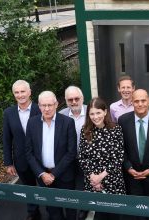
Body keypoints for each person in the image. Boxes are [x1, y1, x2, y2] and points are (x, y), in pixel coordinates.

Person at [25, 91, 77, 220]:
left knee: (70, 210)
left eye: (49, 105)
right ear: (39, 106)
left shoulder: (68, 122)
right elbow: (29, 152)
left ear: (56, 104)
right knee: (53, 212)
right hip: (43, 177)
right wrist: (42, 174)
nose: (46, 109)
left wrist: (53, 174)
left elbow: (71, 152)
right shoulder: (32, 123)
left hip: (65, 176)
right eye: (43, 105)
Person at [79, 97, 126, 220]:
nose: (95, 117)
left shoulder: (116, 130)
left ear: (105, 112)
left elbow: (118, 157)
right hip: (93, 183)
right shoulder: (85, 131)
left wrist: (101, 176)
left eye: (98, 112)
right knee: (98, 215)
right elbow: (82, 158)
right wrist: (93, 177)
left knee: (115, 215)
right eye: (92, 114)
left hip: (113, 182)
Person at [118, 89, 149, 198]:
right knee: (135, 211)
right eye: (136, 101)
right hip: (131, 177)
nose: (140, 104)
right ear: (132, 102)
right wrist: (129, 168)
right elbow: (120, 148)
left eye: (143, 100)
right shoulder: (123, 121)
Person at [3, 80, 41, 220]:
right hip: (21, 159)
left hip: (41, 158)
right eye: (17, 92)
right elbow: (6, 139)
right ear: (14, 95)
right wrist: (8, 162)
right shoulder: (9, 113)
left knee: (47, 187)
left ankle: (52, 211)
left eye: (23, 91)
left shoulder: (41, 109)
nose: (20, 95)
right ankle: (33, 213)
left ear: (30, 92)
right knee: (28, 188)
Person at [59, 86, 87, 220]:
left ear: (82, 98)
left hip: (86, 158)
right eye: (70, 99)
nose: (74, 102)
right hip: (68, 159)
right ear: (66, 100)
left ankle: (83, 209)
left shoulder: (91, 112)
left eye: (77, 98)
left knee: (84, 185)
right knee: (69, 186)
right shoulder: (61, 114)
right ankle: (71, 211)